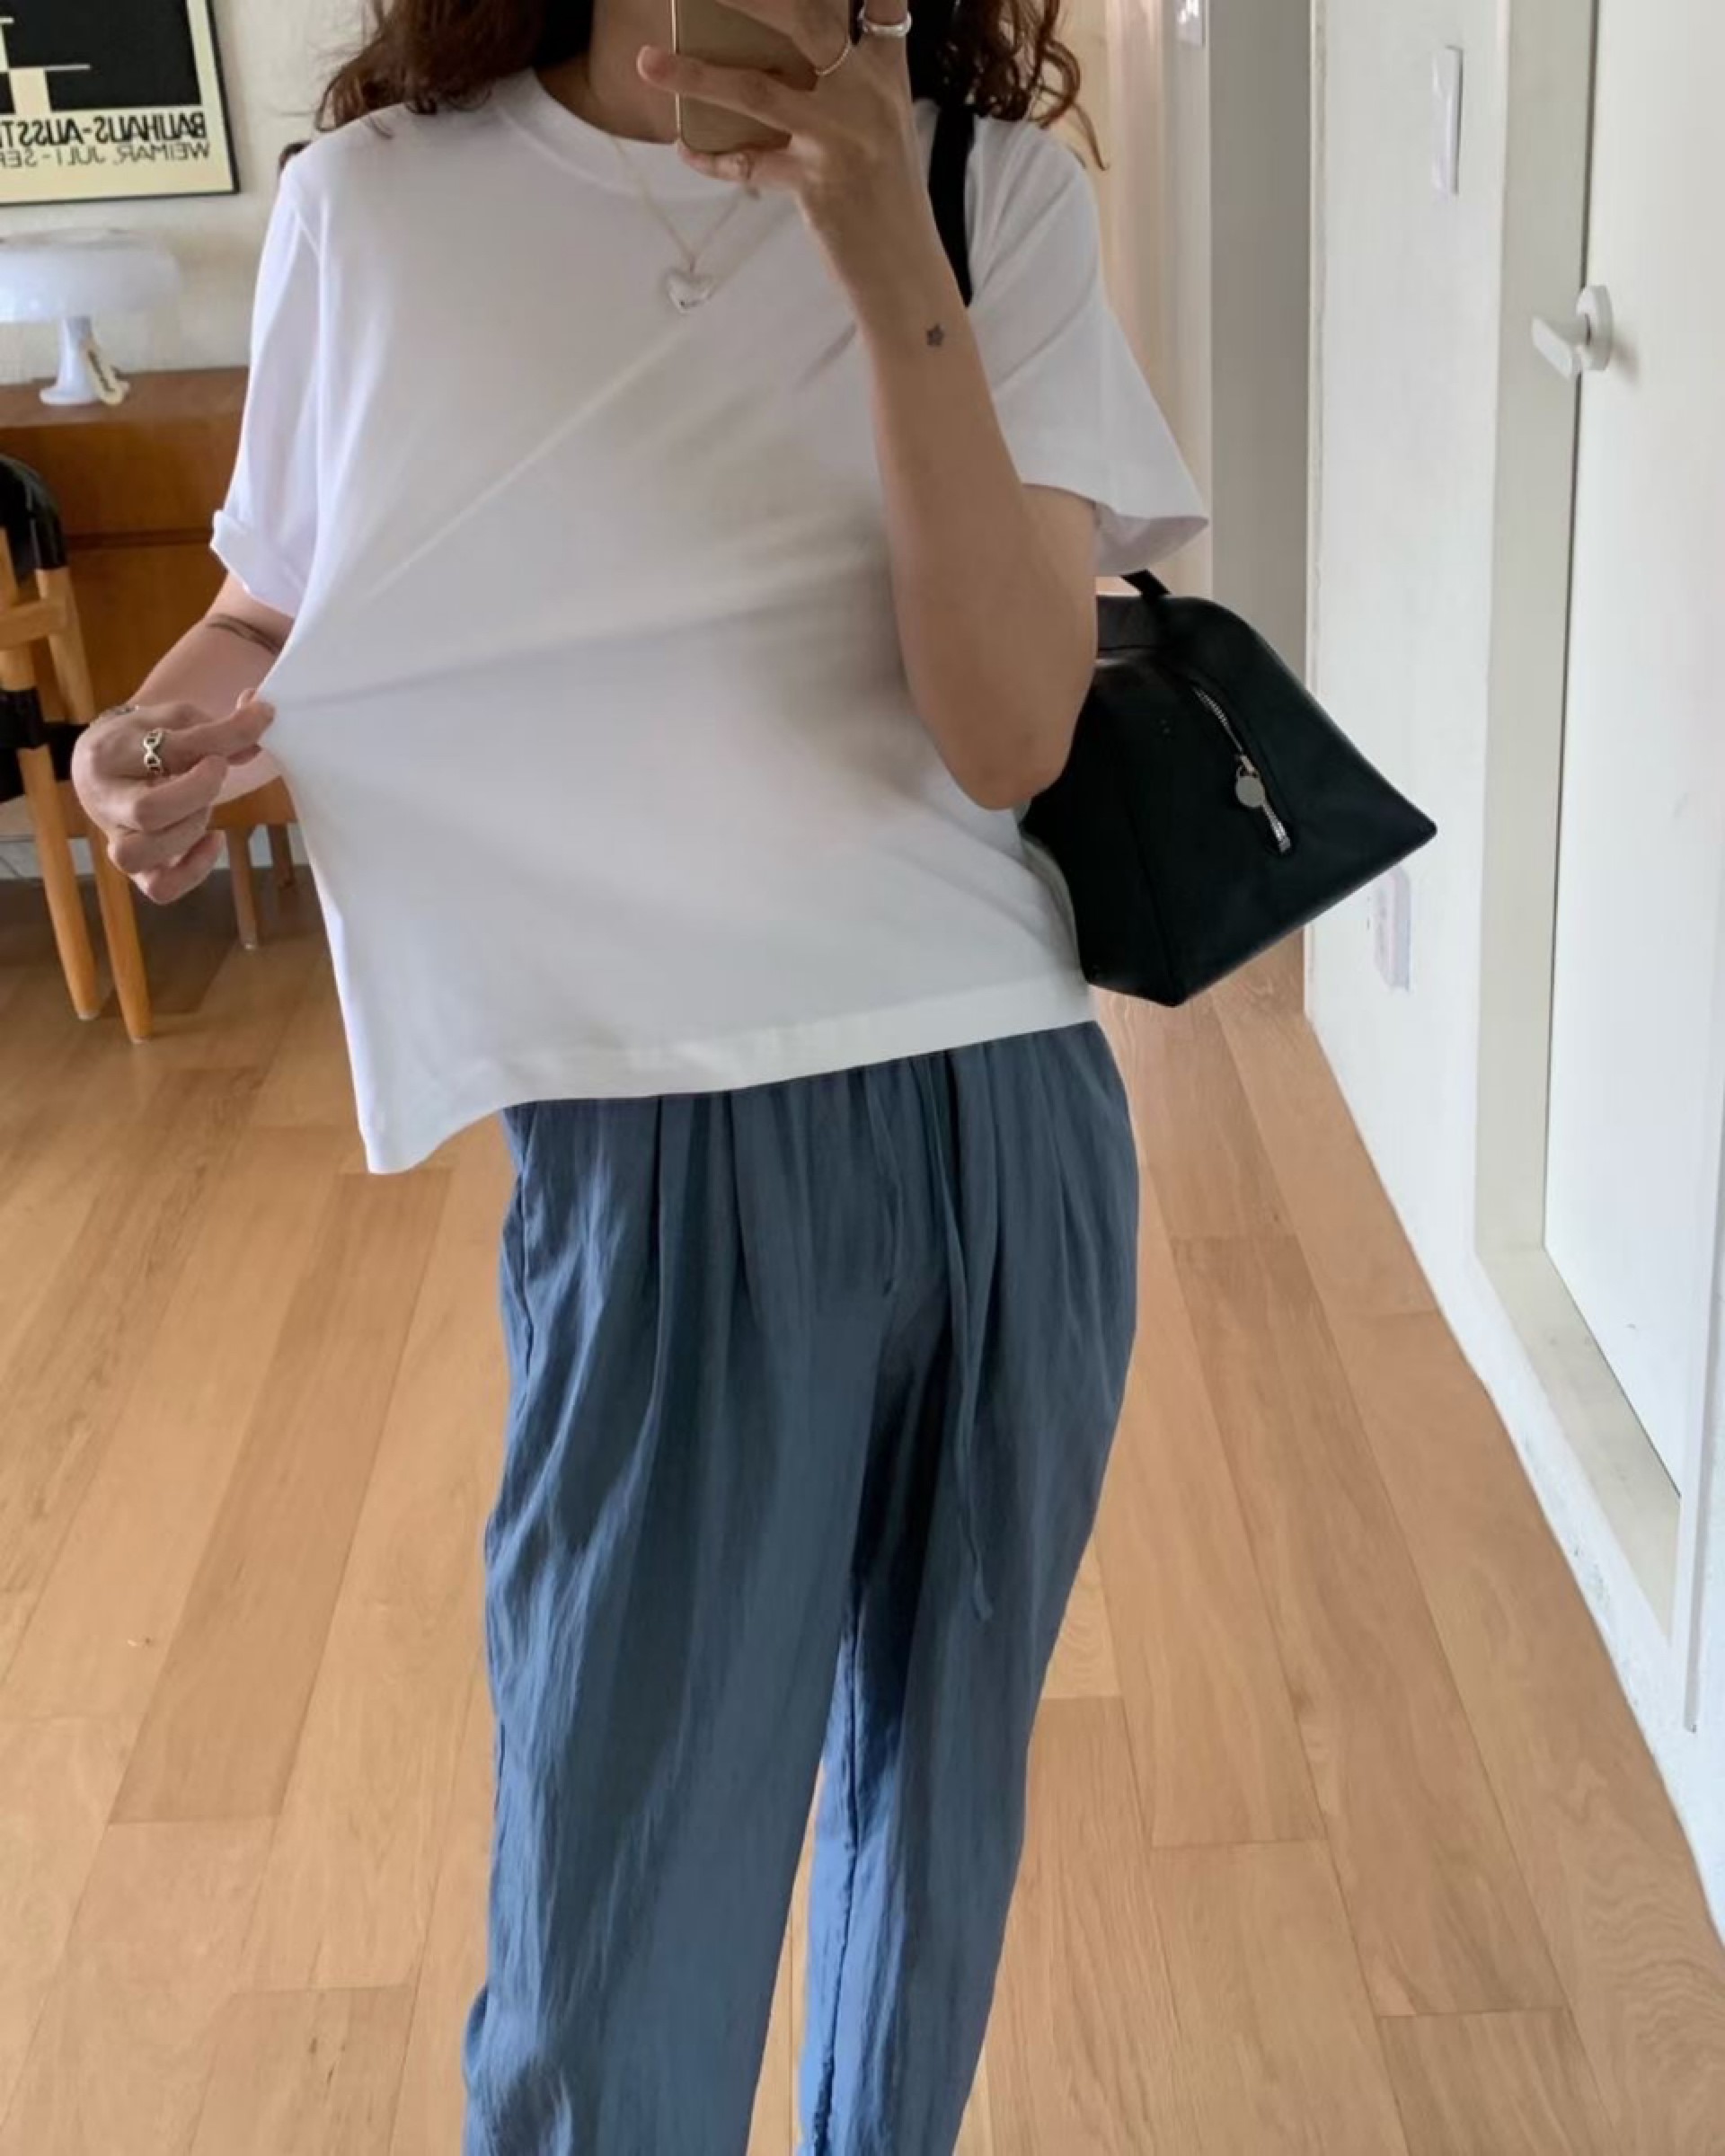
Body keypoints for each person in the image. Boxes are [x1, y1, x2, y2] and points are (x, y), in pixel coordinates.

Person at [72, 1, 1204, 2148]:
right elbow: (276, 609)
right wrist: (155, 740)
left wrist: (891, 261)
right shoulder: (375, 211)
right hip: (650, 1143)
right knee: (615, 1885)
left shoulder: (993, 194)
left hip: (1004, 1112)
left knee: (935, 1821)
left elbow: (1008, 734)